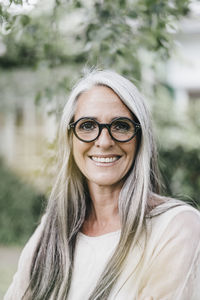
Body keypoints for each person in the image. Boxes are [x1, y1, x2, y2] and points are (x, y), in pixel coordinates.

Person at [4, 70, 200, 300]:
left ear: (140, 138)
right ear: (70, 138)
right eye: (87, 125)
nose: (104, 141)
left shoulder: (176, 227)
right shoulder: (53, 228)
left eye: (120, 126)